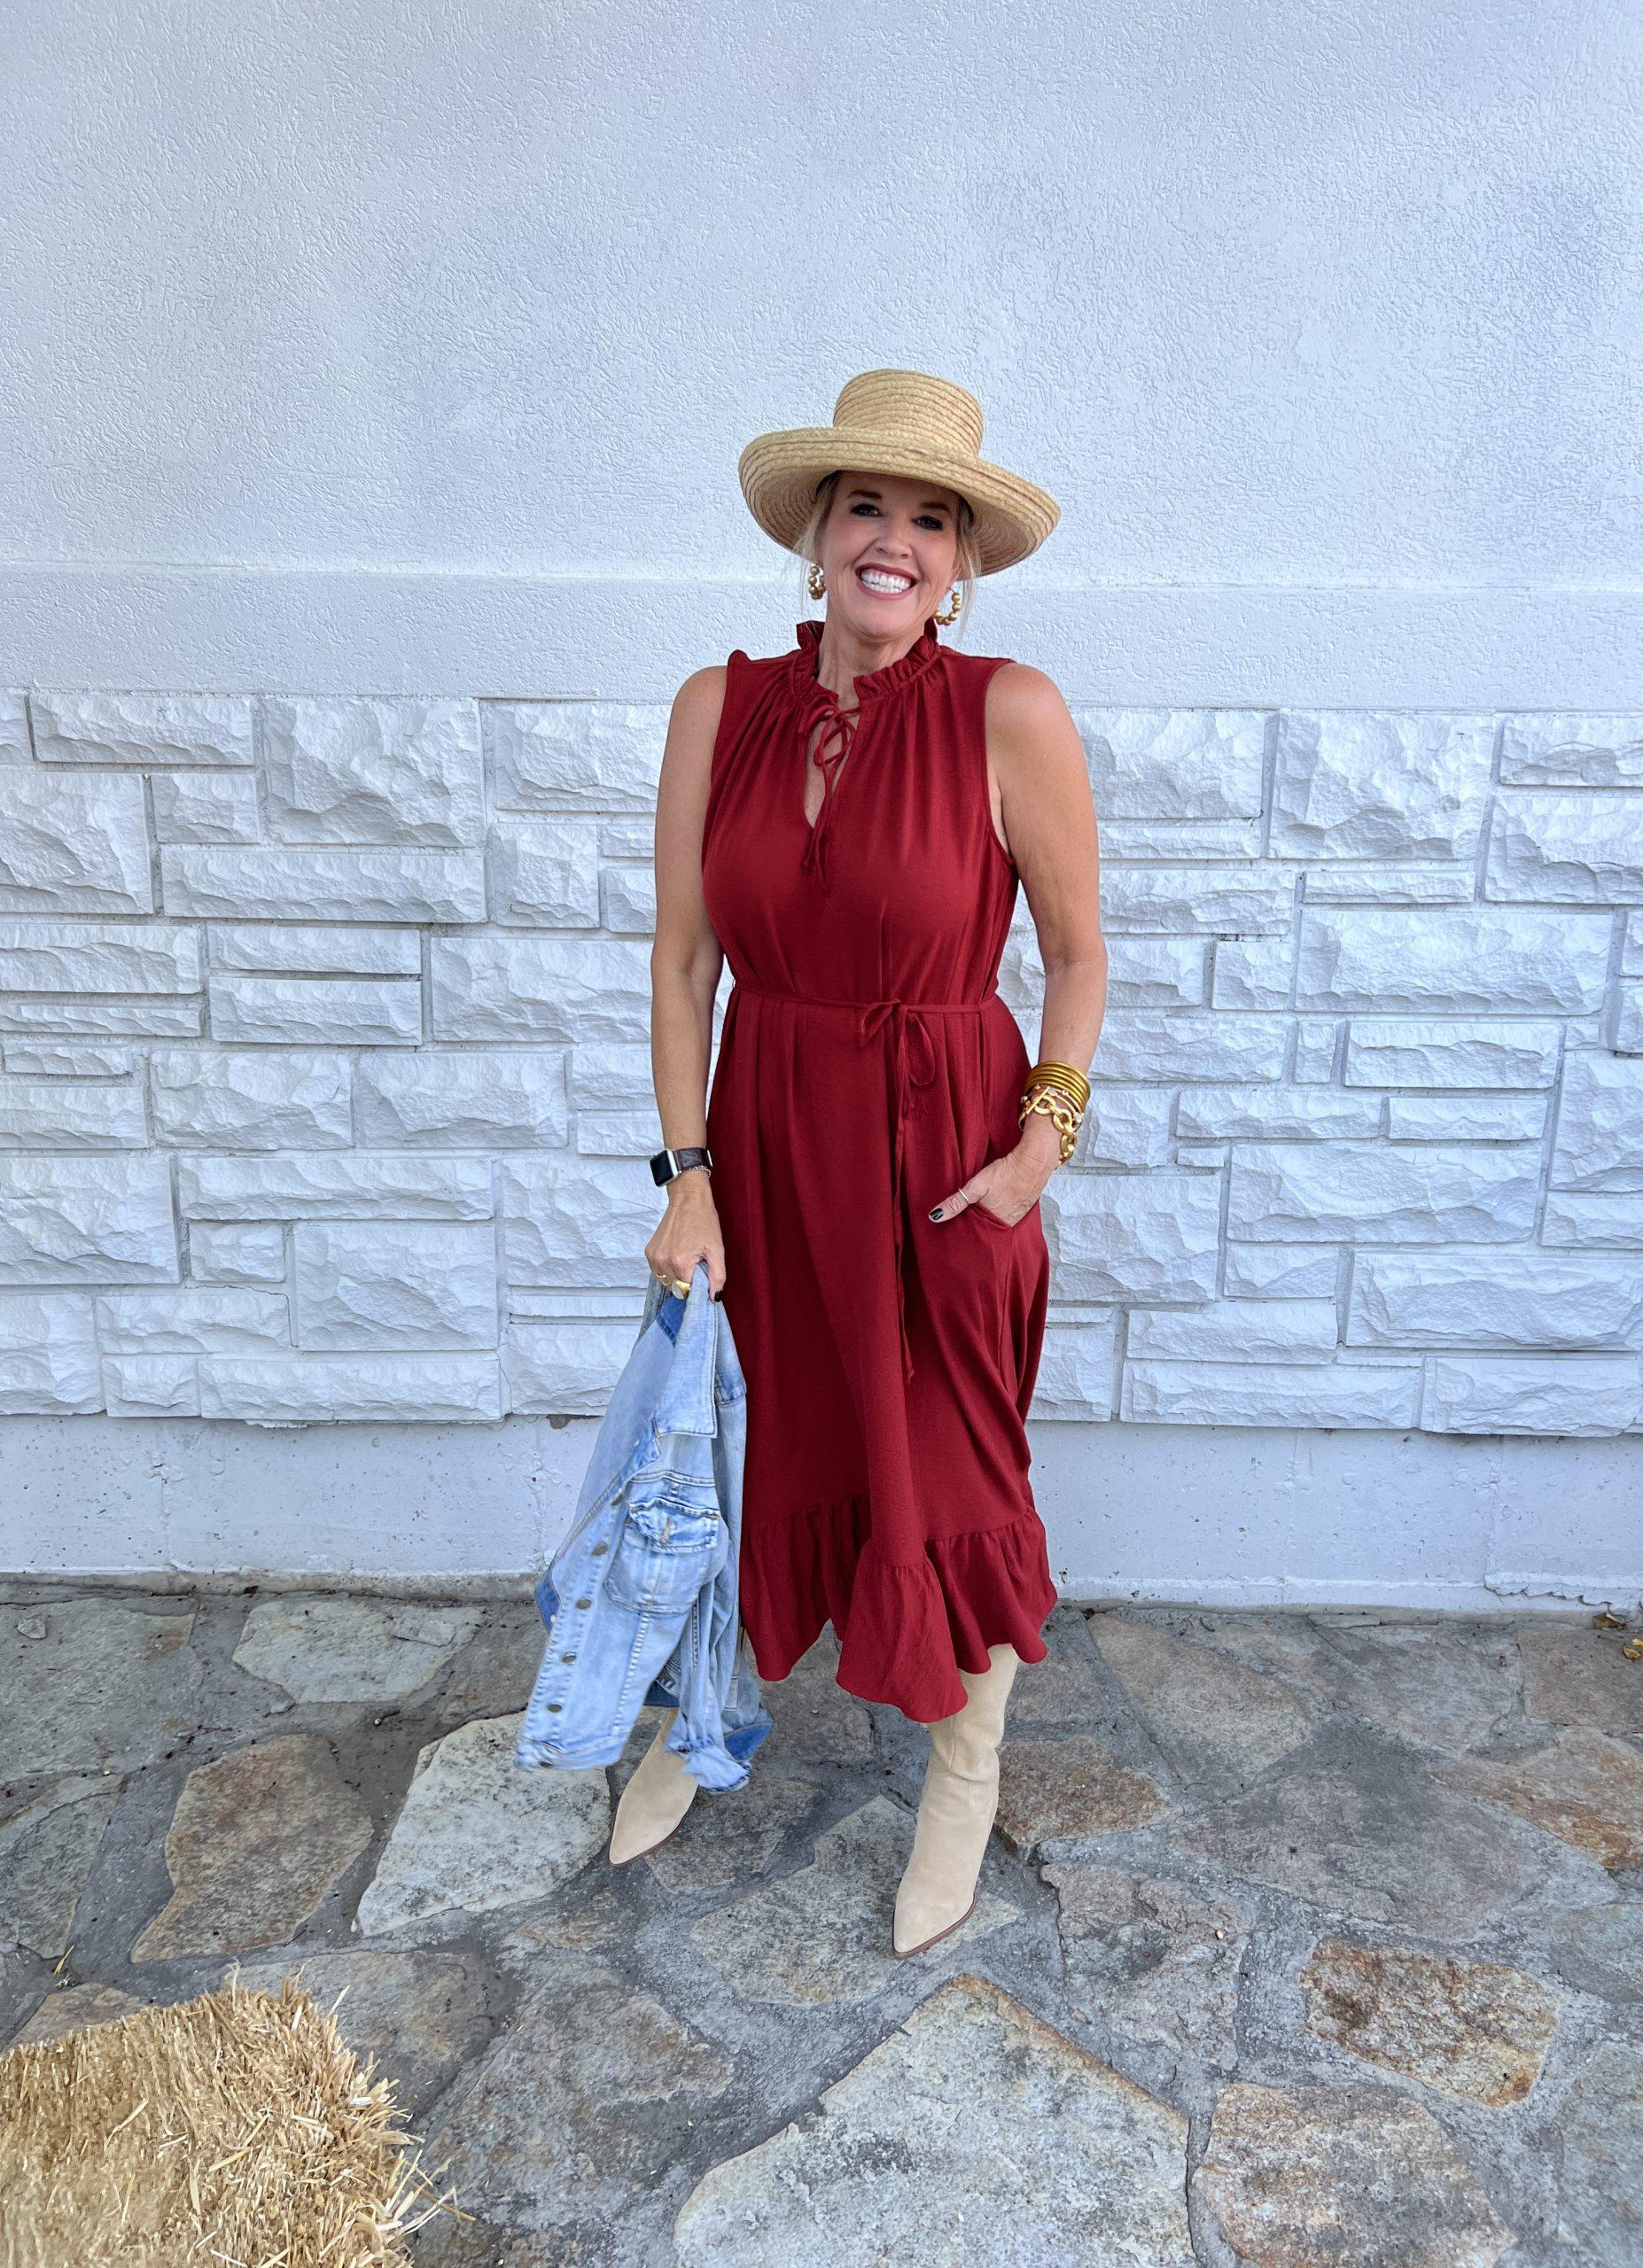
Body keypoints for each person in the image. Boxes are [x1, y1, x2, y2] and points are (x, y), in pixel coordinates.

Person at [620, 368, 1107, 1954]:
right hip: (769, 1138)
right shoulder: (720, 707)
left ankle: (964, 1768)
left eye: (930, 520)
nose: (894, 540)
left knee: (955, 1460)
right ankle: (709, 1711)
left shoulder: (1009, 711)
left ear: (959, 566)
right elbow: (683, 963)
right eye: (867, 507)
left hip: (948, 1148)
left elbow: (1079, 956)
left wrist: (1039, 1146)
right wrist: (688, 1171)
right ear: (818, 534)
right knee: (761, 1442)